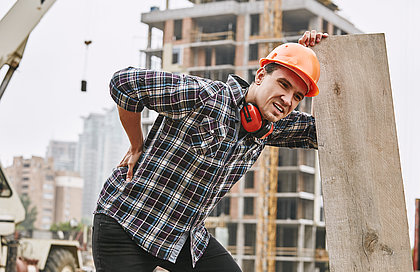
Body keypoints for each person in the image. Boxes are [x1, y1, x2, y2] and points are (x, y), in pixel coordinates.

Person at [92, 30, 328, 272]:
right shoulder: (206, 96)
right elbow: (125, 84)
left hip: (182, 237)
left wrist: (322, 57)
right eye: (283, 84)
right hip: (126, 224)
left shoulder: (270, 127)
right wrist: (136, 145)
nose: (288, 99)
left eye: (297, 96)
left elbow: (328, 131)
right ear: (260, 76)